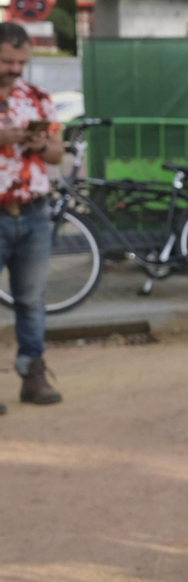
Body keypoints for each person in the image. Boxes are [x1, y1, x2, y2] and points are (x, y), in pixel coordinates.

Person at [0, 21, 63, 412]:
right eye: (7, 61)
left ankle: (33, 374)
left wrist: (40, 143)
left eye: (20, 62)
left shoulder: (37, 97)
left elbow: (57, 154)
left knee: (31, 299)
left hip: (33, 212)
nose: (14, 69)